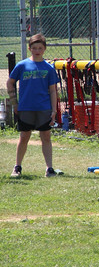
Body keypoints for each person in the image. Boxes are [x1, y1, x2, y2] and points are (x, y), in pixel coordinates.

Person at [7, 34, 60, 178]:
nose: (37, 50)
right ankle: (17, 167)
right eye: (34, 48)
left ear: (44, 49)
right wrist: (14, 103)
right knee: (24, 136)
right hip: (26, 107)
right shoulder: (22, 65)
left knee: (46, 137)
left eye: (40, 48)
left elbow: (53, 90)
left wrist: (54, 110)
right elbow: (10, 83)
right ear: (29, 48)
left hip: (44, 108)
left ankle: (49, 168)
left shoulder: (49, 68)